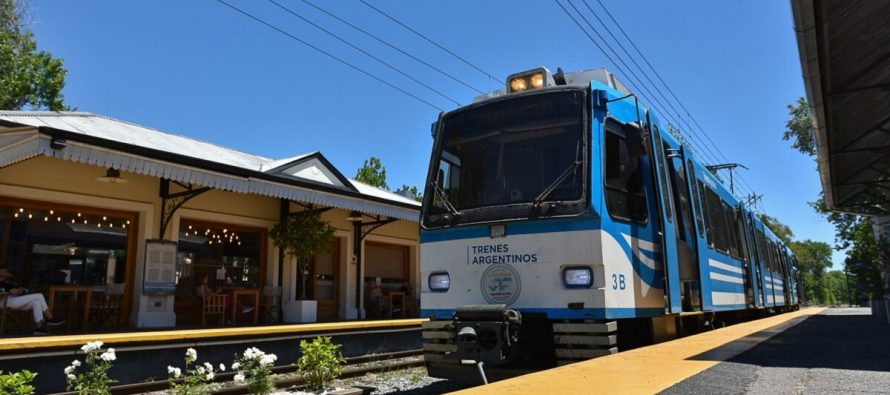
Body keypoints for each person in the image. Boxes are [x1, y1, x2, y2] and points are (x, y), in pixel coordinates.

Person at [0, 268, 65, 335]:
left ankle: (39, 327)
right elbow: (6, 291)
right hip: (3, 301)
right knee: (39, 295)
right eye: (1, 276)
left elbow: (23, 289)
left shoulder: (6, 284)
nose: (2, 278)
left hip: (12, 300)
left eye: (3, 276)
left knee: (36, 302)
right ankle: (49, 317)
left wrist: (20, 290)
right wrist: (8, 292)